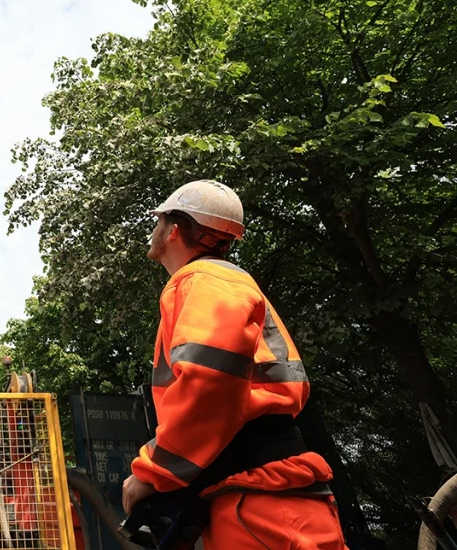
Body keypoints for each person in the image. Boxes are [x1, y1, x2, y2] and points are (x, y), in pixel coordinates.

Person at [121, 180, 348, 549]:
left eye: (157, 221)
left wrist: (153, 471)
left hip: (262, 507)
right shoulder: (221, 282)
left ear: (174, 230)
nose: (153, 231)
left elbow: (209, 384)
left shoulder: (204, 280)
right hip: (267, 498)